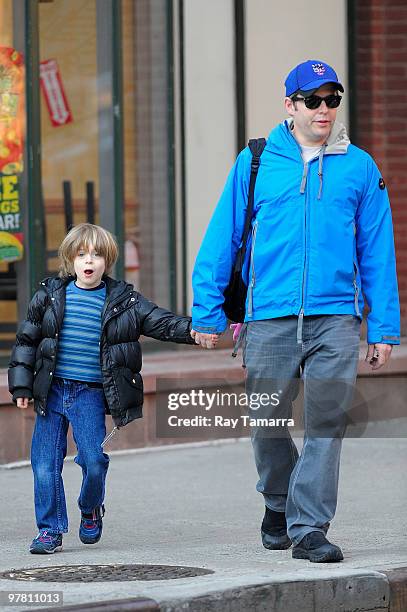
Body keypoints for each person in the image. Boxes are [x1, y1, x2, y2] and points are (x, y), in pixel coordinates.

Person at [191, 60, 400, 562]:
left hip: (336, 319)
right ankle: (278, 501)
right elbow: (224, 236)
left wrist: (384, 327)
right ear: (291, 106)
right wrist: (206, 310)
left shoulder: (360, 167)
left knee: (327, 424)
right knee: (267, 422)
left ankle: (309, 528)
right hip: (269, 315)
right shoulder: (257, 162)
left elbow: (377, 251)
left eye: (333, 99)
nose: (324, 109)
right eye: (313, 100)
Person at [8, 223, 212, 554]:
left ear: (108, 260)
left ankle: (90, 508)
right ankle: (50, 530)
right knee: (44, 464)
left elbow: (162, 322)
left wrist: (195, 331)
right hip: (52, 391)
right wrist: (21, 387)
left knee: (93, 460)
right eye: (81, 254)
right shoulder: (49, 295)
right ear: (70, 260)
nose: (89, 261)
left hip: (89, 394)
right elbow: (26, 342)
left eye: (97, 254)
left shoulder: (124, 301)